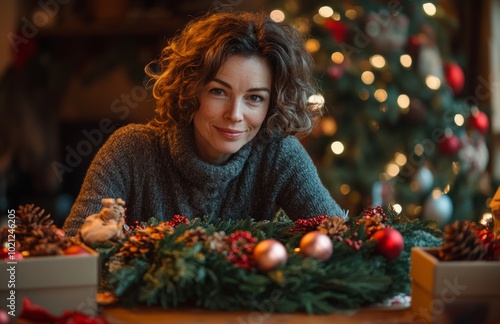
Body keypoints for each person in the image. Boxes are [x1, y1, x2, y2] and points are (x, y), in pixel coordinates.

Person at [62, 10, 346, 237]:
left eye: (255, 98)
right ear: (191, 89)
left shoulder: (279, 154)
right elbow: (73, 250)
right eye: (218, 92)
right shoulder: (130, 151)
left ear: (272, 104)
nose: (235, 114)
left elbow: (343, 241)